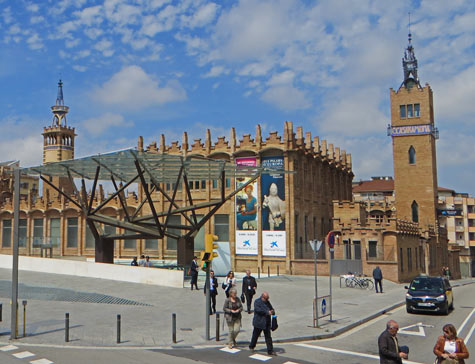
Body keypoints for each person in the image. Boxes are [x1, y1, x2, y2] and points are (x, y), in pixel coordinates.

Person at [249, 291, 276, 356]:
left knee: (268, 337)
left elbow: (271, 308)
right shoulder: (257, 302)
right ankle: (252, 346)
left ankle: (270, 351)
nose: (267, 300)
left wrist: (272, 311)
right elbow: (258, 310)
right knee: (255, 335)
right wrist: (267, 312)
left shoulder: (267, 302)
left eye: (267, 299)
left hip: (266, 322)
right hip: (259, 322)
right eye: (266, 299)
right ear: (262, 297)